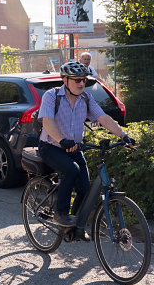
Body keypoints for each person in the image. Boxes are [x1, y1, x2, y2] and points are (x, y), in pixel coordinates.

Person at [37, 61, 134, 240]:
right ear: (65, 80)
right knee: (71, 170)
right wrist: (62, 140)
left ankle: (73, 226)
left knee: (85, 188)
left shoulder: (86, 98)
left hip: (73, 148)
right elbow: (47, 122)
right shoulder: (51, 96)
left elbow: (103, 117)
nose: (82, 83)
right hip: (51, 147)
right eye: (77, 80)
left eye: (84, 80)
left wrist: (123, 135)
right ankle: (61, 213)